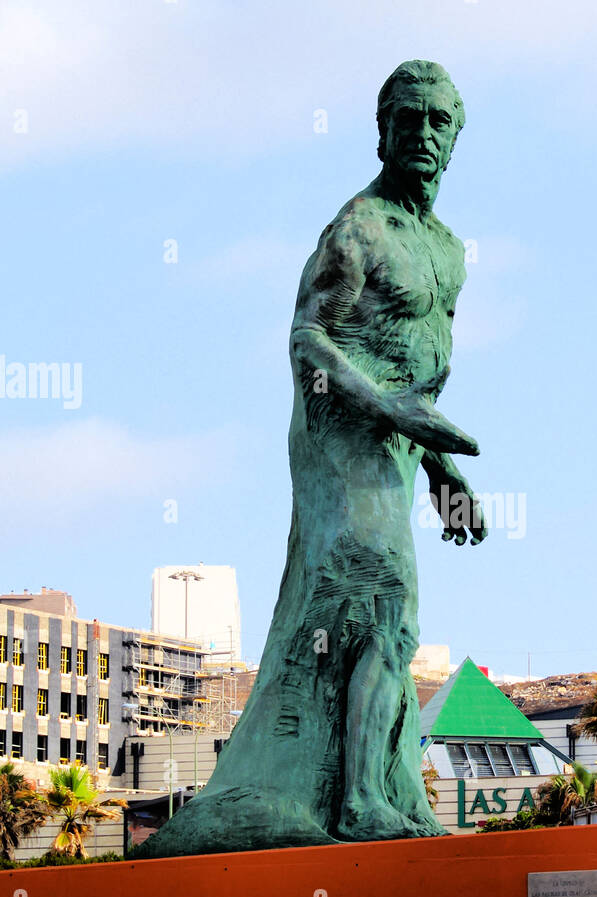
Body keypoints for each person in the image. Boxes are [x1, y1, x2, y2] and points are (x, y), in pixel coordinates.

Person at [147, 61, 486, 856]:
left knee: (381, 618)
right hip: (341, 444)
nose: (425, 135)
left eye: (441, 122)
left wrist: (440, 466)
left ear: (456, 138)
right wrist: (387, 410)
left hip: (399, 452)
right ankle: (362, 801)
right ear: (383, 128)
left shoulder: (448, 249)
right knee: (384, 601)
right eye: (411, 119)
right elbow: (308, 341)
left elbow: (423, 364)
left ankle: (373, 788)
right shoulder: (357, 229)